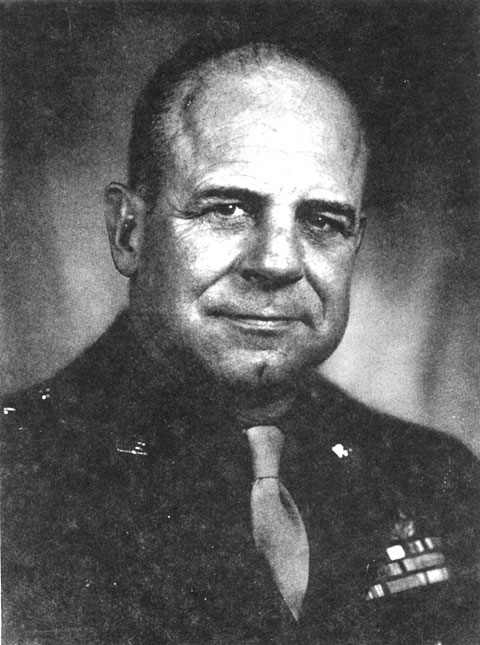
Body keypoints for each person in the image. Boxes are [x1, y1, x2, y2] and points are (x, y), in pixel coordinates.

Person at [2, 36, 479, 645]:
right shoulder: (18, 472)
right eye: (228, 208)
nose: (277, 262)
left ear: (356, 242)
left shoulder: (434, 477)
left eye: (322, 221)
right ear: (129, 232)